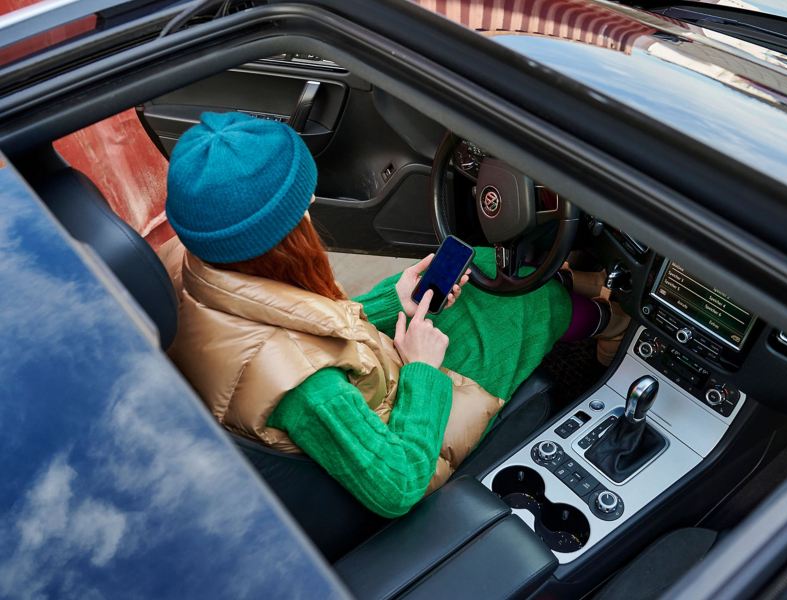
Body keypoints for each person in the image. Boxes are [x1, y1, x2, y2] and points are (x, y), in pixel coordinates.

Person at [166, 112, 625, 518]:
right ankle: (611, 323)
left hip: (371, 376)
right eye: (301, 206)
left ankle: (575, 284)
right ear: (277, 239)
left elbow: (305, 330)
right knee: (523, 305)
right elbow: (397, 486)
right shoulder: (307, 391)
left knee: (484, 266)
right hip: (407, 422)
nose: (309, 208)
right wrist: (423, 369)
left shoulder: (194, 272)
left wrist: (394, 302)